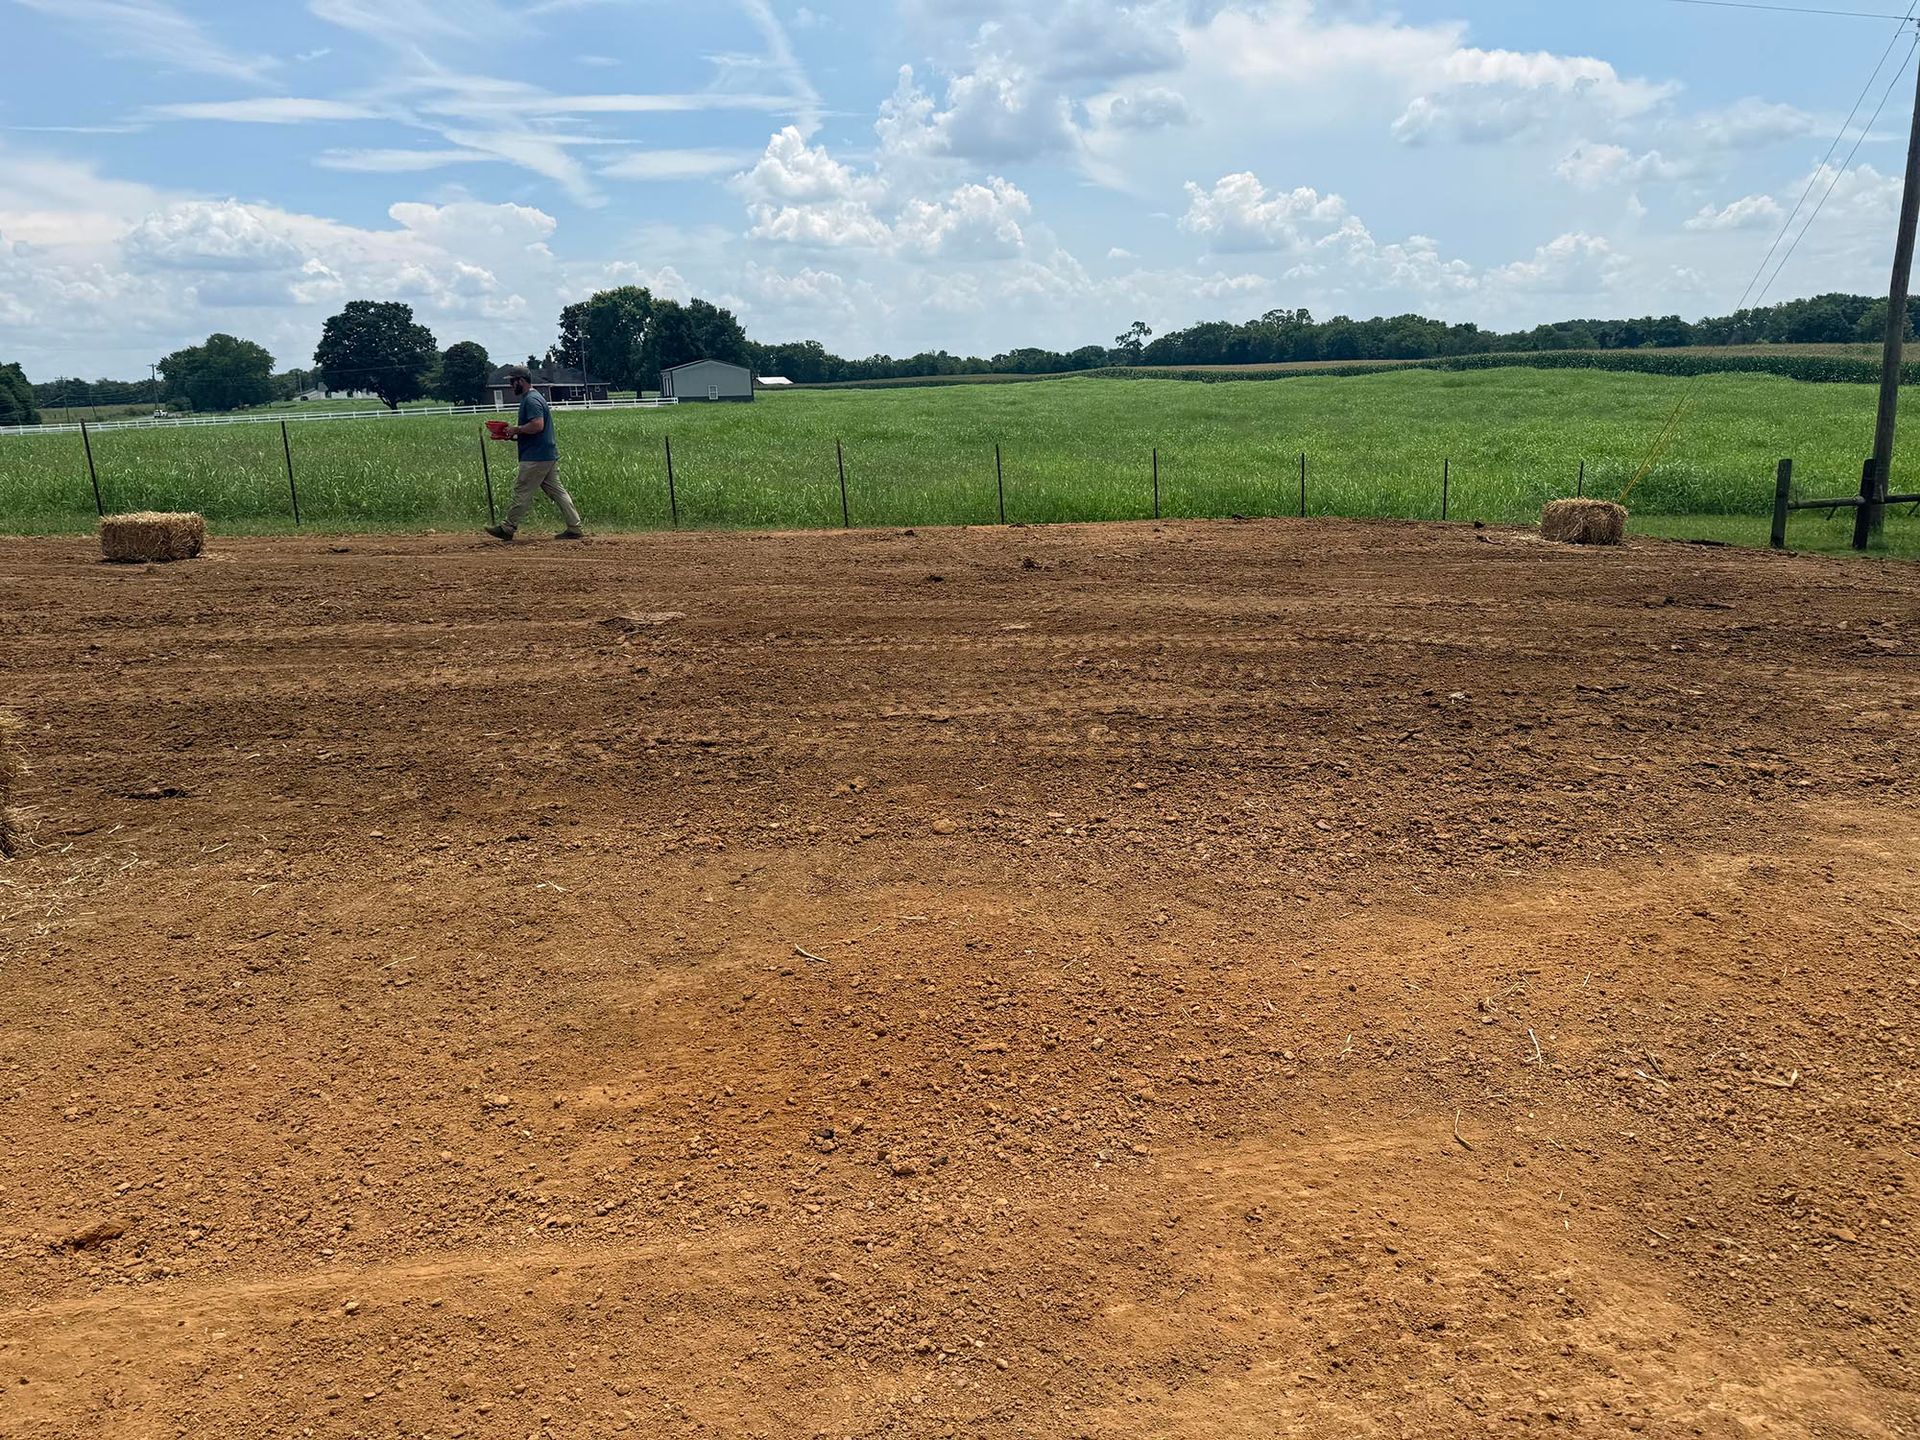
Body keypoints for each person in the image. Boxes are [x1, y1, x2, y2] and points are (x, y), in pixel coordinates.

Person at [486, 365, 585, 542]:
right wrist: (515, 434)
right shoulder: (535, 397)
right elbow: (535, 429)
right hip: (546, 454)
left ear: (521, 381)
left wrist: (516, 429)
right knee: (557, 491)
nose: (510, 385)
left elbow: (537, 425)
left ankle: (507, 528)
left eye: (512, 381)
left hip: (535, 457)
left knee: (522, 490)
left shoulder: (531, 400)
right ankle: (574, 527)